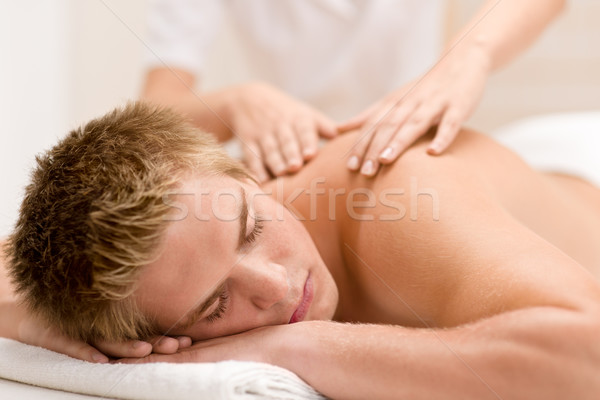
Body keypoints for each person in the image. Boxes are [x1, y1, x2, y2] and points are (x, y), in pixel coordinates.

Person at [2, 102, 599, 399]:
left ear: (246, 176)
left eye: (253, 228)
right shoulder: (136, 274)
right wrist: (36, 320)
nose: (278, 286)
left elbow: (586, 357)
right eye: (213, 307)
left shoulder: (403, 198)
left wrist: (297, 344)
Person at [142, 0, 566, 180]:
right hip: (296, 161)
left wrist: (468, 56)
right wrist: (235, 104)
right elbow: (151, 118)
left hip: (421, 146)